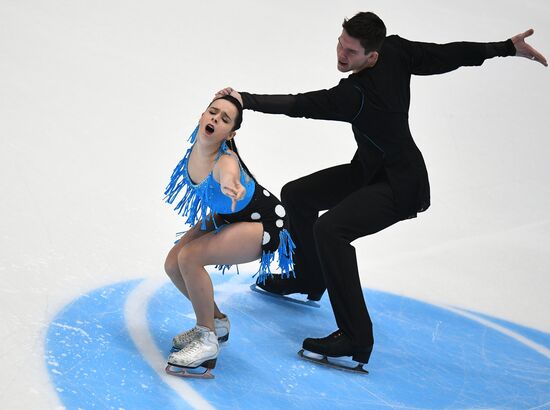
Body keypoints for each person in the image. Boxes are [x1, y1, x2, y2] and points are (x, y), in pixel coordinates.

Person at [216, 11, 547, 369]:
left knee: (331, 231)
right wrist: (504, 48)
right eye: (340, 45)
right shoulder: (394, 51)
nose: (342, 55)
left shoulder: (356, 94)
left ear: (371, 56)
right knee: (298, 195)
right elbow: (446, 55)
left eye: (351, 52)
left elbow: (301, 104)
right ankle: (308, 277)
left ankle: (357, 339)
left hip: (401, 184)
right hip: (369, 170)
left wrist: (244, 99)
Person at [163, 94, 295, 377]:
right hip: (231, 216)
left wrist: (230, 184)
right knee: (173, 264)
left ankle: (207, 339)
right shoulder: (198, 146)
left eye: (224, 119)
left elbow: (229, 172)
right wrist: (230, 94)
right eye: (212, 112)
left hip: (266, 223)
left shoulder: (226, 159)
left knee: (190, 257)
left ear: (231, 134)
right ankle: (217, 322)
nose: (214, 119)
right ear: (201, 116)